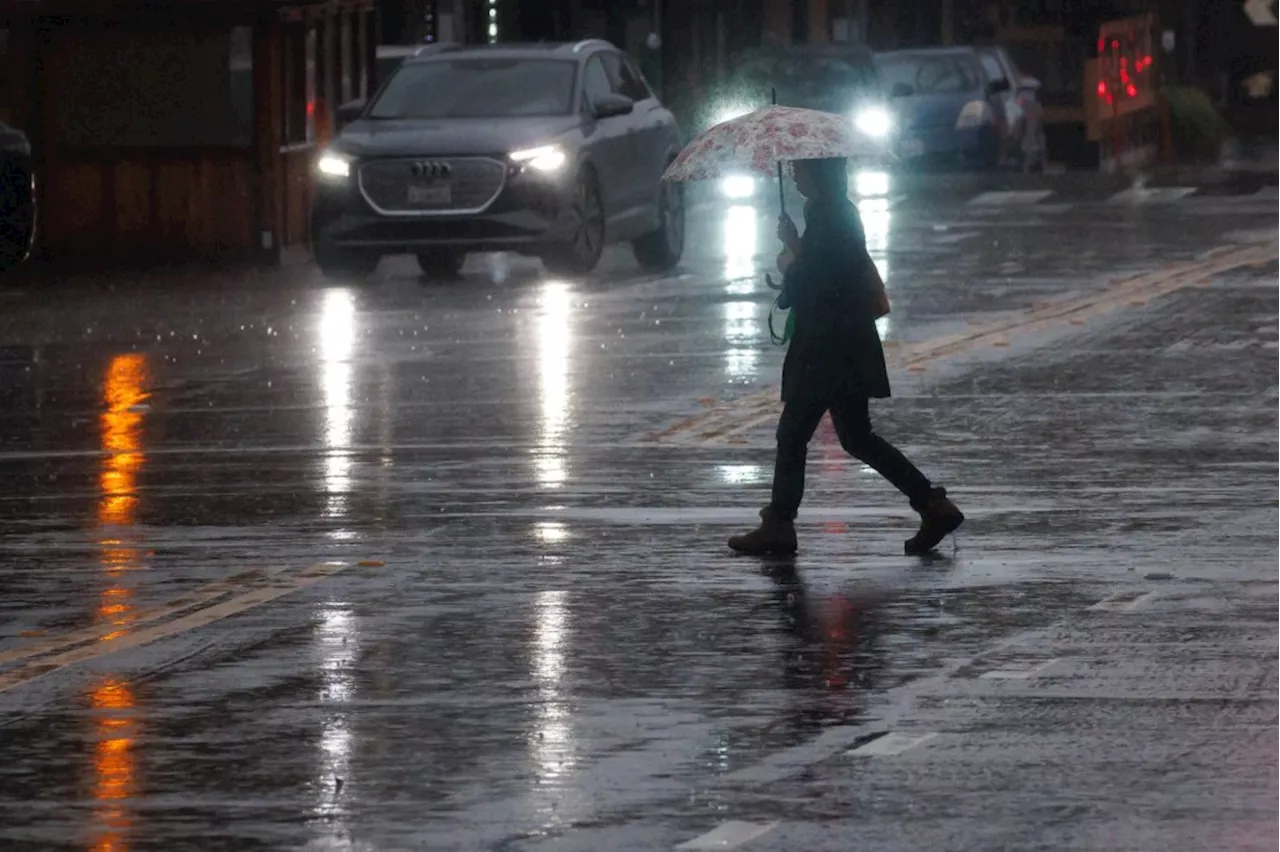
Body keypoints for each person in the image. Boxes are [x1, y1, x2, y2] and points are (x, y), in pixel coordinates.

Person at [727, 157, 964, 557]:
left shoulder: (829, 214)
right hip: (844, 343)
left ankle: (780, 524)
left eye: (800, 168)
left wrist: (792, 262)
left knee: (794, 433)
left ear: (819, 173)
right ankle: (932, 504)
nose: (794, 173)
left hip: (826, 346)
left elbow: (820, 280)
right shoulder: (832, 212)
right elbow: (826, 269)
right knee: (855, 438)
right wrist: (796, 248)